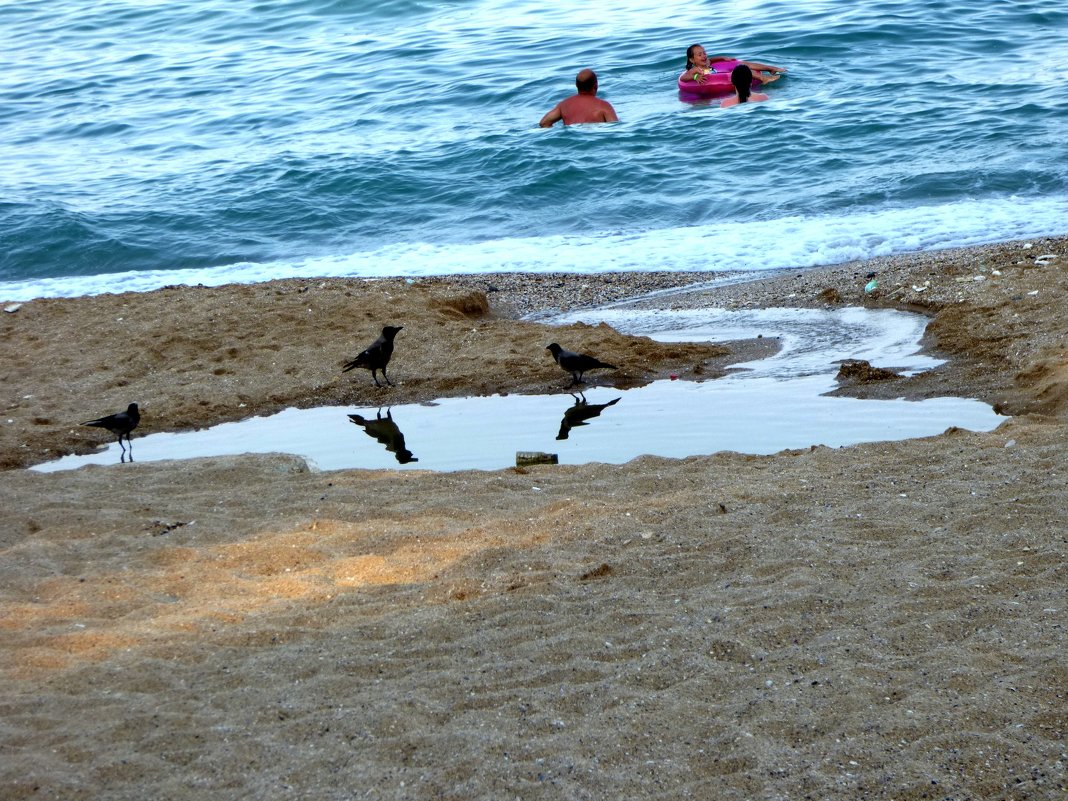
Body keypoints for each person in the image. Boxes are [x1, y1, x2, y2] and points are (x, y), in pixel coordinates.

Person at [539, 69, 619, 127]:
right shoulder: (604, 106)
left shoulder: (564, 105)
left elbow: (544, 123)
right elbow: (614, 127)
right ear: (595, 86)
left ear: (576, 85)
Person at [680, 43, 784, 86]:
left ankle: (770, 68)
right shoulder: (696, 69)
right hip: (717, 79)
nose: (704, 56)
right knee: (740, 70)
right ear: (692, 60)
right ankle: (763, 78)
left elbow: (712, 60)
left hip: (719, 73)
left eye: (704, 53)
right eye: (699, 54)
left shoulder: (707, 62)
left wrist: (723, 58)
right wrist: (695, 76)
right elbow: (683, 78)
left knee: (743, 64)